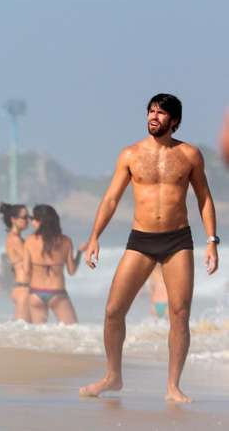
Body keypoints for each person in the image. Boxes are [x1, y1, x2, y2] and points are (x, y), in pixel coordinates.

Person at [79, 94, 219, 403]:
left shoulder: (190, 155)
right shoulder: (130, 154)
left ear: (175, 121)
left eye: (161, 112)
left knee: (179, 314)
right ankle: (112, 376)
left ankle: (173, 386)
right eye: (151, 111)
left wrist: (212, 241)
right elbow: (112, 198)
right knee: (114, 310)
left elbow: (204, 198)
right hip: (141, 240)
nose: (154, 116)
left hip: (178, 240)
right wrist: (94, 237)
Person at [24, 205, 78, 324]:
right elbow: (71, 271)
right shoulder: (66, 241)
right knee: (73, 331)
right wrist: (79, 253)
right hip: (57, 292)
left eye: (34, 218)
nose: (32, 221)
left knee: (39, 334)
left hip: (35, 292)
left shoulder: (29, 241)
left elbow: (26, 270)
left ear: (40, 221)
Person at [0, 203, 31, 322]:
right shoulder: (15, 239)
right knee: (24, 333)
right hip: (23, 288)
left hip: (21, 287)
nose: (28, 220)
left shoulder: (18, 238)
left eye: (29, 217)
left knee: (22, 332)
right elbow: (31, 262)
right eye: (24, 217)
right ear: (13, 219)